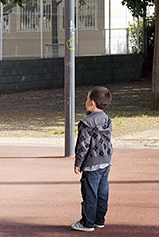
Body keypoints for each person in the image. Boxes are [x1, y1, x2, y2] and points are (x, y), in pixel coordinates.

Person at [71, 86, 113, 232]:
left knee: (89, 194)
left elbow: (83, 145)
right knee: (102, 192)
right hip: (106, 161)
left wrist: (78, 163)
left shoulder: (86, 123)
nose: (86, 101)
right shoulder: (107, 119)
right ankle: (99, 220)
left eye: (87, 99)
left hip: (91, 164)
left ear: (92, 103)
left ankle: (87, 223)